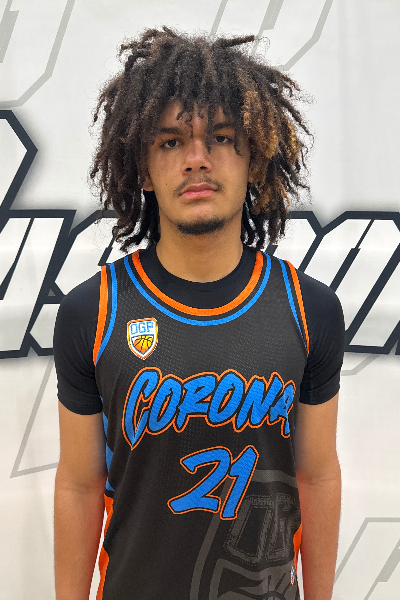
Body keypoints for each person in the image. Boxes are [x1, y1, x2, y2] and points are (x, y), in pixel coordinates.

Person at [53, 26, 345, 600]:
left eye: (221, 138)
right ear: (142, 169)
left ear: (255, 160)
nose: (196, 160)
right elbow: (80, 485)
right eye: (170, 142)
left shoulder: (308, 308)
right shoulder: (93, 311)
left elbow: (317, 475)